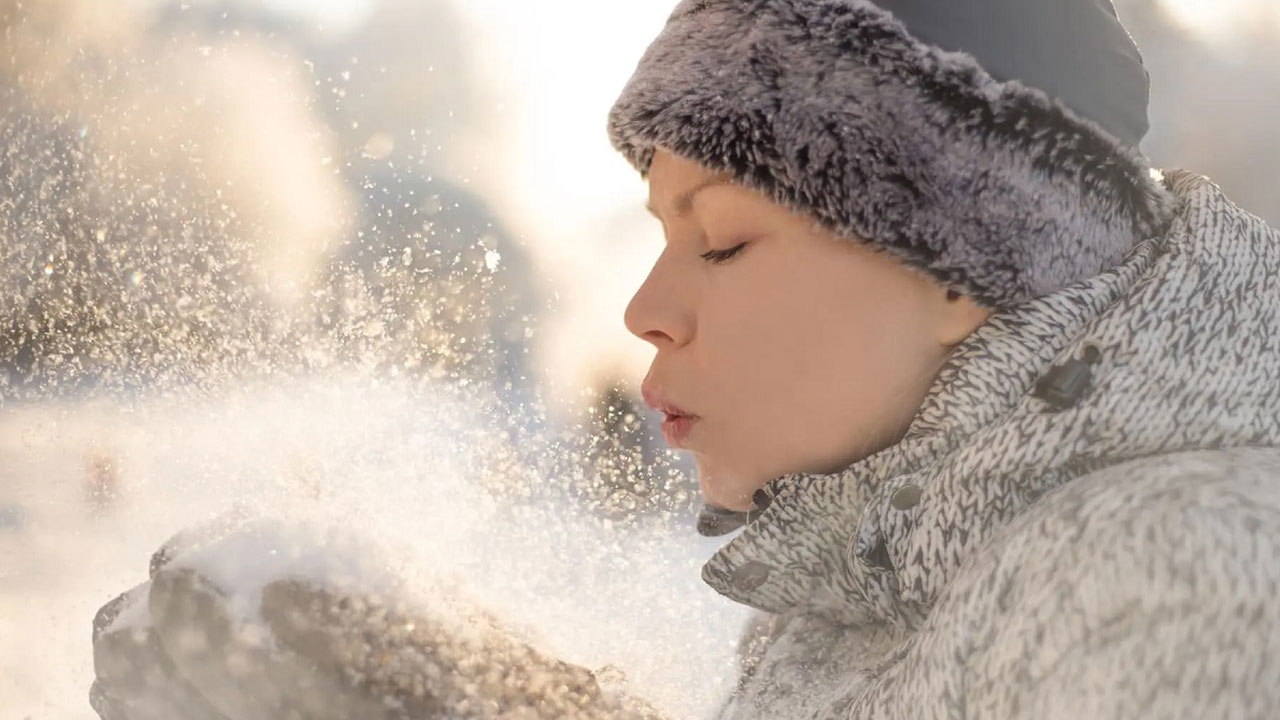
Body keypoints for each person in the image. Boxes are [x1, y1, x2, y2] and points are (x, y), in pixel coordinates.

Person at [89, 1, 1280, 718]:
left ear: (963, 262)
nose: (646, 311)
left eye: (719, 241)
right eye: (660, 237)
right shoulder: (881, 570)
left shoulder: (1178, 566)